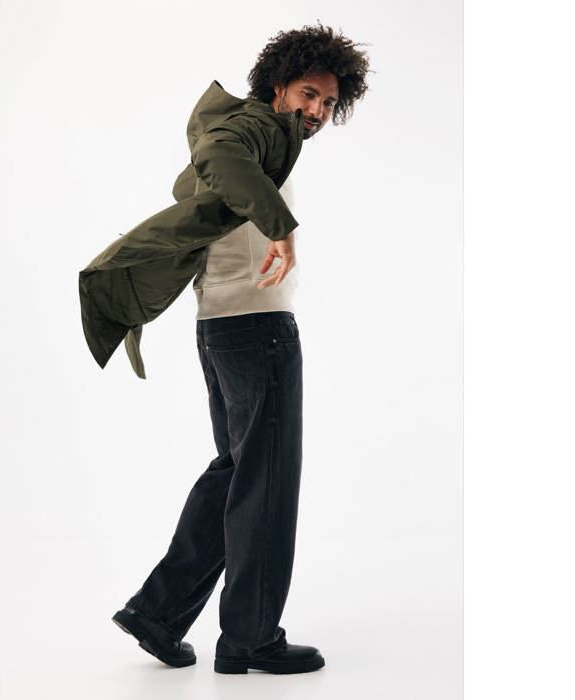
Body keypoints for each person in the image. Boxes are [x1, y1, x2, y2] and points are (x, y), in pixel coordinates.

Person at [109, 22, 370, 674]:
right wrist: (280, 228)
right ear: (277, 85)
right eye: (308, 94)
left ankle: (159, 613)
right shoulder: (249, 129)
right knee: (266, 480)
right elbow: (219, 158)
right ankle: (251, 637)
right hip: (256, 327)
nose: (317, 110)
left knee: (238, 471)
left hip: (224, 325)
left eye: (328, 102)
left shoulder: (262, 136)